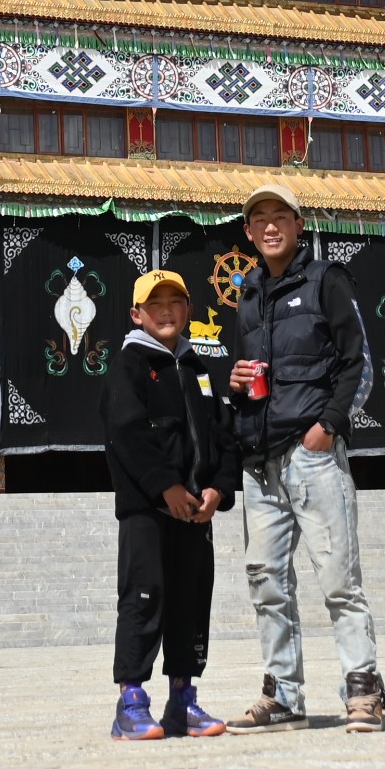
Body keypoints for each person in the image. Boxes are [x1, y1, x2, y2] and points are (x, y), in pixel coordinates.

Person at [225, 182, 385, 734]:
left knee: (339, 579)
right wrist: (234, 383)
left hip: (311, 455)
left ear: (299, 224)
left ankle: (363, 690)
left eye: (281, 216)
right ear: (248, 232)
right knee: (266, 581)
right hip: (261, 463)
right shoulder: (248, 295)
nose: (270, 226)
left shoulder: (326, 281)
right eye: (259, 219)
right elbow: (246, 375)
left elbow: (358, 364)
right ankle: (283, 696)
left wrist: (328, 427)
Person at [101, 268, 241, 741]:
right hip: (149, 510)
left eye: (175, 302)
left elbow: (222, 435)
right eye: (154, 304)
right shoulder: (129, 365)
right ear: (136, 314)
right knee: (143, 598)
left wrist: (218, 488)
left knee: (190, 602)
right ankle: (130, 702)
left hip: (196, 512)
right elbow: (127, 433)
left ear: (189, 310)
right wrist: (166, 487)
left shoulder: (199, 369)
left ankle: (182, 700)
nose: (166, 311)